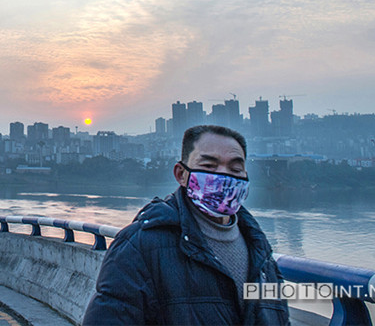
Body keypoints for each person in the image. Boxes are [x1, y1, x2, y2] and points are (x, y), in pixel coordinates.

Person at [82, 125, 290, 325]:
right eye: (209, 166)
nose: (224, 176)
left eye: (235, 168)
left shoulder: (261, 252)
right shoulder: (139, 246)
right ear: (181, 174)